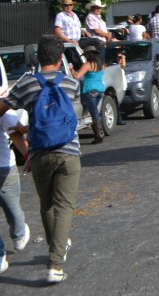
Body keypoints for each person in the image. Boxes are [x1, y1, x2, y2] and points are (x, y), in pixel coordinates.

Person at [0, 35, 81, 284]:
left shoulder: (26, 85)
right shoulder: (70, 83)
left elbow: (4, 107)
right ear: (60, 58)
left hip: (38, 155)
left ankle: (55, 247)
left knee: (47, 205)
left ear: (37, 58)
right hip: (68, 152)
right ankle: (56, 263)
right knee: (64, 206)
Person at [0, 100, 30, 273]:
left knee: (12, 208)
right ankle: (18, 235)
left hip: (4, 166)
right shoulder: (4, 109)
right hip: (5, 166)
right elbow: (17, 132)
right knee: (13, 208)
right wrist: (28, 155)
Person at [71, 47, 119, 144]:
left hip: (89, 90)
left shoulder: (87, 65)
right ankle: (98, 133)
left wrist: (71, 69)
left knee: (94, 114)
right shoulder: (101, 65)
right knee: (94, 111)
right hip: (100, 90)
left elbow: (77, 76)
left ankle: (99, 135)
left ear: (88, 55)